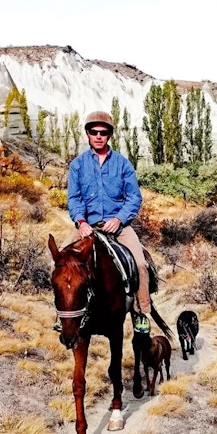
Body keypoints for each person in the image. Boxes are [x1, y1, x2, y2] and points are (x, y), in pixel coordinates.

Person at [61, 110, 151, 334]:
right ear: (88, 134)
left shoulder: (122, 164)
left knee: (140, 264)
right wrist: (81, 222)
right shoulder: (78, 165)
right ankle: (64, 315)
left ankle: (142, 312)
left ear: (109, 135)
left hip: (118, 227)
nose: (99, 136)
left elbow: (134, 197)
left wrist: (119, 218)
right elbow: (74, 198)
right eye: (94, 132)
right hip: (87, 227)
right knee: (62, 258)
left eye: (103, 132)